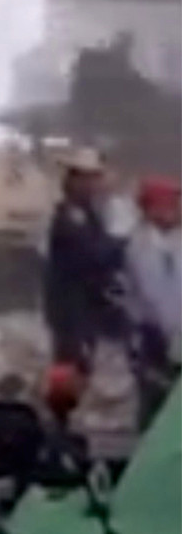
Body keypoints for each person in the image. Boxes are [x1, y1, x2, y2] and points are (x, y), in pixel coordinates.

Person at [44, 148, 125, 376]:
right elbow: (90, 255)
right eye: (88, 178)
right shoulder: (70, 216)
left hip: (85, 305)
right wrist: (121, 248)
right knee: (72, 365)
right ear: (74, 180)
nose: (94, 184)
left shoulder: (88, 212)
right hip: (71, 306)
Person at [123, 176, 181, 430]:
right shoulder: (142, 247)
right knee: (157, 401)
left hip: (176, 332)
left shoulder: (176, 241)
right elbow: (156, 297)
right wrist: (175, 337)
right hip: (156, 335)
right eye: (173, 204)